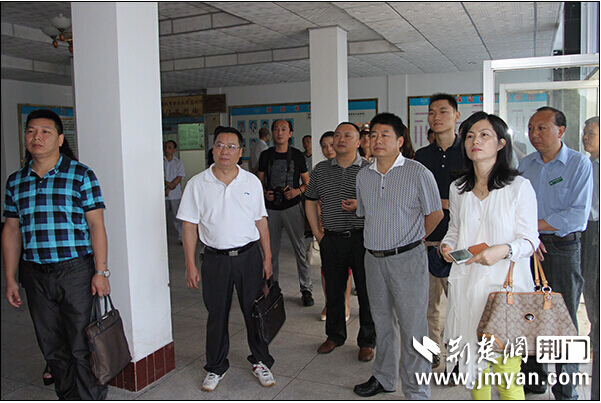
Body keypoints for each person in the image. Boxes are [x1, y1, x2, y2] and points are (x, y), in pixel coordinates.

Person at [3, 109, 110, 400]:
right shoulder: (16, 181)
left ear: (60, 139)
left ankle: (91, 398)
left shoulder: (80, 175)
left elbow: (96, 225)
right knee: (52, 347)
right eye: (31, 131)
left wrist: (101, 272)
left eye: (45, 132)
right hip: (35, 274)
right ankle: (68, 396)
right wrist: (10, 278)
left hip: (75, 272)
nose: (36, 137)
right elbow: (11, 230)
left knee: (82, 344)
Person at [440, 111, 539, 400]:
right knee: (476, 370)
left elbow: (530, 241)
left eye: (484, 135)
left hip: (505, 290)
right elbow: (455, 230)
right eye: (470, 136)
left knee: (506, 374)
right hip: (467, 286)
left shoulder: (518, 187)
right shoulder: (458, 188)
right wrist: (447, 246)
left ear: (500, 144)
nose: (476, 141)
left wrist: (503, 250)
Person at [177, 127, 275, 392]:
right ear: (213, 150)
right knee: (216, 315)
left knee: (255, 312)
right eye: (220, 145)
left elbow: (261, 222)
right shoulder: (197, 184)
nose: (225, 151)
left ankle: (261, 361)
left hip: (249, 258)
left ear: (241, 152)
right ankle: (216, 366)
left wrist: (267, 258)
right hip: (215, 260)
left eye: (232, 146)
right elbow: (189, 226)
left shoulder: (251, 182)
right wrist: (189, 264)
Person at [354, 112, 443, 399]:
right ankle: (384, 378)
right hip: (373, 259)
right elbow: (366, 215)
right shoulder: (363, 175)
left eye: (385, 135)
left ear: (400, 141)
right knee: (381, 322)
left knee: (414, 326)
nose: (377, 140)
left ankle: (417, 389)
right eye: (373, 135)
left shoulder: (418, 172)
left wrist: (413, 239)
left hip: (407, 259)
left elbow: (436, 213)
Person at [518, 106, 593, 399]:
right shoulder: (526, 164)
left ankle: (566, 388)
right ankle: (534, 379)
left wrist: (532, 227)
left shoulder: (578, 164)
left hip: (561, 247)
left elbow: (576, 216)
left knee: (563, 318)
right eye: (531, 128)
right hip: (529, 249)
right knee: (530, 314)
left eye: (542, 128)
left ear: (560, 130)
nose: (534, 134)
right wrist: (528, 235)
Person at [305, 122, 376, 362]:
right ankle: (334, 336)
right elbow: (310, 200)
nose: (341, 139)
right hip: (332, 239)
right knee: (334, 291)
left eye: (347, 135)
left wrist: (361, 205)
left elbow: (382, 203)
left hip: (363, 240)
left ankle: (367, 341)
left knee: (366, 292)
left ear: (359, 142)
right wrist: (317, 233)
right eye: (337, 135)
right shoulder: (321, 170)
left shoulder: (370, 169)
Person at [414, 93, 462, 369]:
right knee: (427, 306)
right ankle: (431, 354)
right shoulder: (422, 156)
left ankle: (457, 361)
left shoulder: (468, 152)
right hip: (428, 241)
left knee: (458, 307)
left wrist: (444, 203)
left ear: (456, 116)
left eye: (443, 111)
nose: (436, 117)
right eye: (432, 112)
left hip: (459, 245)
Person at [257, 119, 314, 306]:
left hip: (292, 208)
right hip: (271, 209)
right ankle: (272, 289)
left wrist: (297, 191)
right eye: (276, 129)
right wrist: (265, 193)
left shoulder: (297, 155)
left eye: (283, 129)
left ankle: (306, 289)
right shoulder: (266, 155)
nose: (279, 132)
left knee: (299, 249)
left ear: (290, 133)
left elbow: (307, 183)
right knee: (270, 251)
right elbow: (259, 181)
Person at [581, 116, 599, 334]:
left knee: (595, 284)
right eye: (584, 133)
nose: (585, 137)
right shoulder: (587, 164)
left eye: (591, 133)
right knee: (588, 284)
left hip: (596, 229)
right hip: (586, 229)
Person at [164, 140, 186, 243]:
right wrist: (168, 185)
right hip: (162, 194)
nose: (166, 149)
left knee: (177, 217)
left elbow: (178, 178)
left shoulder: (178, 163)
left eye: (169, 147)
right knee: (161, 218)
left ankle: (181, 238)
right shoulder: (160, 161)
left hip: (175, 194)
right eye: (165, 147)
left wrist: (168, 187)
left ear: (174, 150)